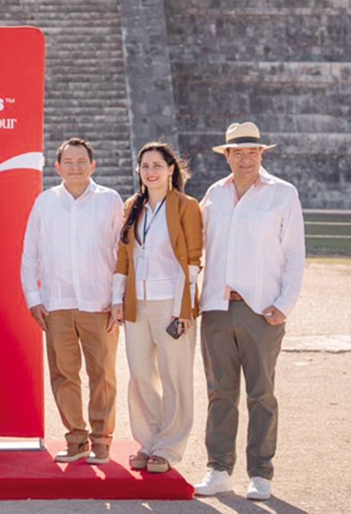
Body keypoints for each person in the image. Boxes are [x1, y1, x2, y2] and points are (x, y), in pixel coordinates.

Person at [192, 122, 305, 501]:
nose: (245, 159)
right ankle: (219, 469)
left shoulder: (282, 193)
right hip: (216, 308)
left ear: (262, 154)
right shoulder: (214, 195)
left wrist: (284, 305)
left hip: (261, 310)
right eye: (237, 152)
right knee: (219, 393)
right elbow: (195, 247)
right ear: (226, 155)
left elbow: (294, 254)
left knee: (261, 395)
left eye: (252, 152)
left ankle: (260, 473)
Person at [20, 138, 124, 465]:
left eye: (81, 161)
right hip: (58, 303)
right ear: (58, 167)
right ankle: (76, 439)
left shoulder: (110, 200)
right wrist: (33, 298)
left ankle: (102, 440)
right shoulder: (45, 202)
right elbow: (30, 253)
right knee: (64, 374)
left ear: (93, 165)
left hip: (100, 303)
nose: (75, 167)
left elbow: (122, 254)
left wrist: (118, 298)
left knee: (102, 374)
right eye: (69, 162)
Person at [111, 142, 203, 475]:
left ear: (171, 170)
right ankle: (148, 442)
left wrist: (185, 309)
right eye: (145, 166)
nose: (151, 172)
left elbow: (192, 261)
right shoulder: (132, 206)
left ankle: (168, 447)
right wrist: (117, 300)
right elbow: (123, 256)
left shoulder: (186, 206)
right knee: (140, 376)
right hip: (136, 304)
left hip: (172, 304)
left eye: (157, 166)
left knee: (174, 376)